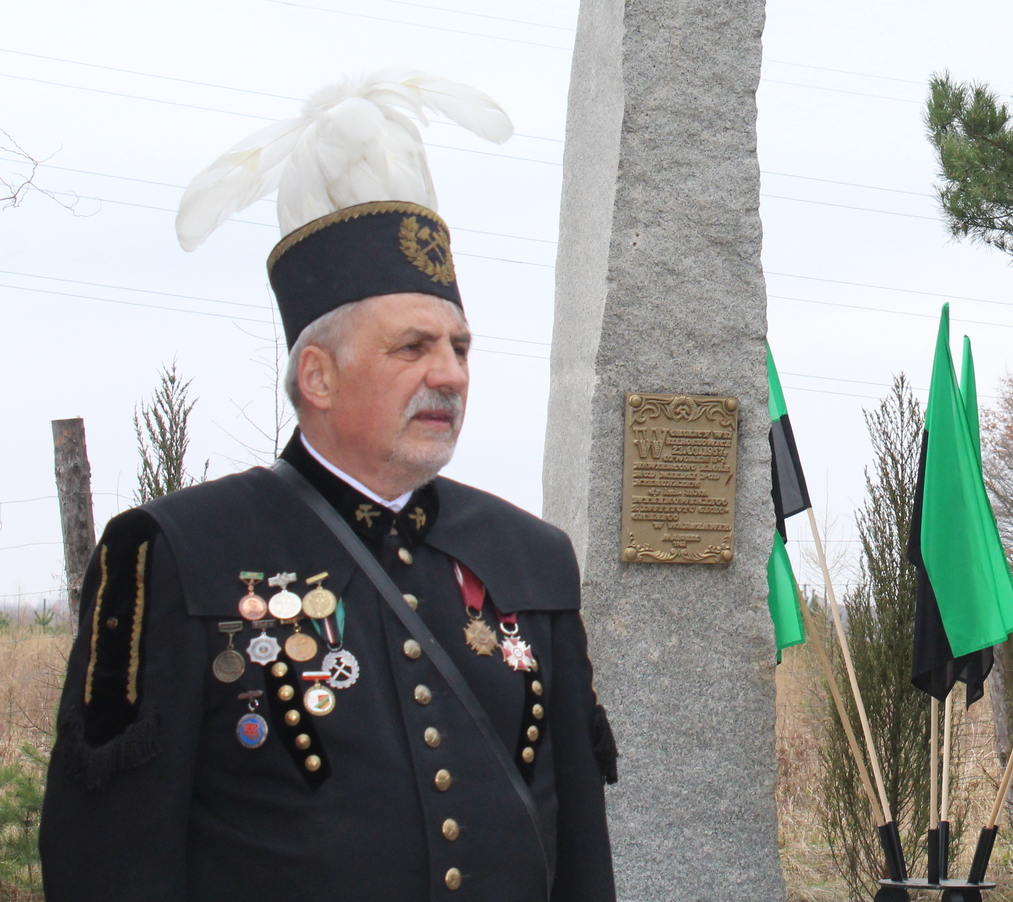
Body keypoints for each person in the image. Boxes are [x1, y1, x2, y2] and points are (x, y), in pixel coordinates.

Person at [39, 72, 617, 901]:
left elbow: (580, 854)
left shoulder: (531, 559)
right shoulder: (178, 555)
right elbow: (111, 860)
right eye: (412, 347)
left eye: (459, 347)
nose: (450, 374)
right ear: (317, 375)